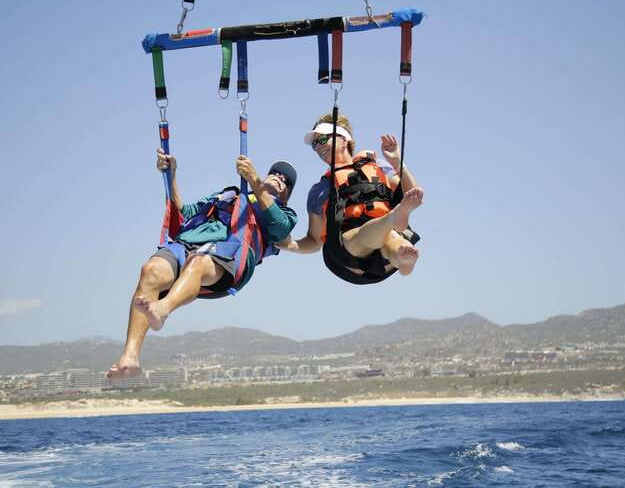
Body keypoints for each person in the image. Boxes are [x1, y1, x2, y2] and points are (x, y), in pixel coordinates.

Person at [107, 150, 297, 378]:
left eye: (286, 181)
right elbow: (185, 212)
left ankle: (162, 309)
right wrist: (171, 174)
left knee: (197, 261)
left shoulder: (284, 213)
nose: (279, 177)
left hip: (231, 254)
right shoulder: (230, 194)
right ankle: (130, 357)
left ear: (287, 194)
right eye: (275, 173)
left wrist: (253, 180)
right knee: (151, 270)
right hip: (189, 242)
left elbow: (280, 228)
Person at [278, 113, 422, 281]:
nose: (318, 147)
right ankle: (393, 220)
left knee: (390, 237)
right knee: (365, 234)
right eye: (314, 144)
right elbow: (314, 240)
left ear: (344, 139)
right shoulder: (319, 190)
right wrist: (291, 245)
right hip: (348, 256)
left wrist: (397, 162)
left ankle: (402, 259)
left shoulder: (376, 166)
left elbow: (413, 195)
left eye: (323, 139)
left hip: (386, 256)